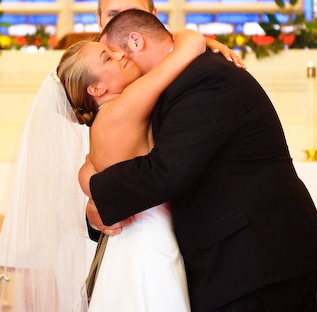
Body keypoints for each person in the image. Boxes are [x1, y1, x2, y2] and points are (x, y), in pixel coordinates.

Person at [0, 0, 244, 312]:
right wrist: (95, 205)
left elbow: (92, 168)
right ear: (99, 20)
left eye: (133, 15)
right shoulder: (117, 91)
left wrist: (95, 185)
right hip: (127, 243)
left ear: (152, 16)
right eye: (113, 17)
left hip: (165, 238)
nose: (125, 30)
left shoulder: (123, 88)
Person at [84, 9, 317, 312]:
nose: (120, 63)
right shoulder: (170, 85)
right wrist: (93, 197)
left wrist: (99, 197)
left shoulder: (204, 77)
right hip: (233, 262)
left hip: (256, 261)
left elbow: (167, 171)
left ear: (136, 42)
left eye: (114, 55)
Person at [57, 25, 206, 311]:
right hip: (149, 241)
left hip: (128, 242)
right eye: (108, 58)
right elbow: (190, 46)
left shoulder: (102, 122)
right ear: (97, 89)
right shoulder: (123, 107)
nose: (120, 54)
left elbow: (89, 171)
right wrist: (188, 37)